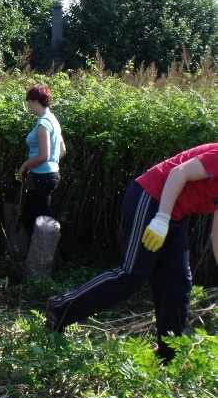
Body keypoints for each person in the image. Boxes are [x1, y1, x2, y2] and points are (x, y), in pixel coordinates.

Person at [46, 143, 218, 361]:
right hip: (150, 198)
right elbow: (179, 172)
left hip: (172, 215)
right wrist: (162, 218)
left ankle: (168, 358)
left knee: (177, 284)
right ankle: (60, 309)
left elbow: (216, 234)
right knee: (131, 273)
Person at [17, 85, 66, 235]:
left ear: (36, 102)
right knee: (32, 218)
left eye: (30, 103)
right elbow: (62, 151)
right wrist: (50, 163)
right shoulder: (54, 120)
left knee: (38, 222)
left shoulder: (43, 123)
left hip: (42, 178)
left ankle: (41, 256)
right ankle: (34, 255)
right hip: (49, 176)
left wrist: (25, 164)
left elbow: (44, 156)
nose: (30, 107)